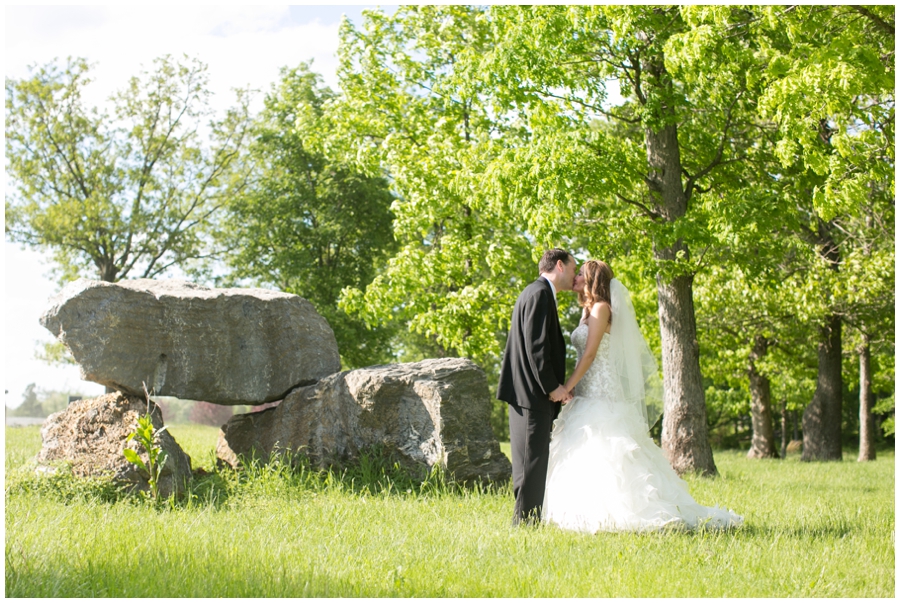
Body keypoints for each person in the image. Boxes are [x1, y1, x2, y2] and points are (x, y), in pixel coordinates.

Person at [542, 260, 743, 533]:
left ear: (592, 281)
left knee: (610, 451)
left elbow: (590, 354)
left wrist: (567, 385)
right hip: (585, 392)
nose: (575, 277)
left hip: (603, 394)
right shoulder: (586, 311)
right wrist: (576, 387)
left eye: (580, 274)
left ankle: (627, 511)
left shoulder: (601, 308)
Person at [498, 248, 576, 525]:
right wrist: (552, 386)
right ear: (560, 266)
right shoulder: (541, 294)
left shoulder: (530, 292)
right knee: (533, 460)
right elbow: (537, 346)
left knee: (524, 462)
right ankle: (527, 522)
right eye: (574, 269)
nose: (575, 275)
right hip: (534, 393)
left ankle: (523, 521)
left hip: (522, 391)